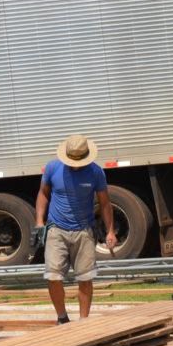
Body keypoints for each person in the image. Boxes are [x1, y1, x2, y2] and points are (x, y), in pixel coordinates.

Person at [34, 134, 116, 323]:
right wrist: (40, 221)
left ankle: (83, 321)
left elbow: (105, 203)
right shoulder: (53, 168)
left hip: (84, 230)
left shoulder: (96, 172)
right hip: (56, 230)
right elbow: (43, 194)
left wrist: (110, 230)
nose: (75, 165)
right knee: (53, 276)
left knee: (85, 277)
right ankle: (62, 317)